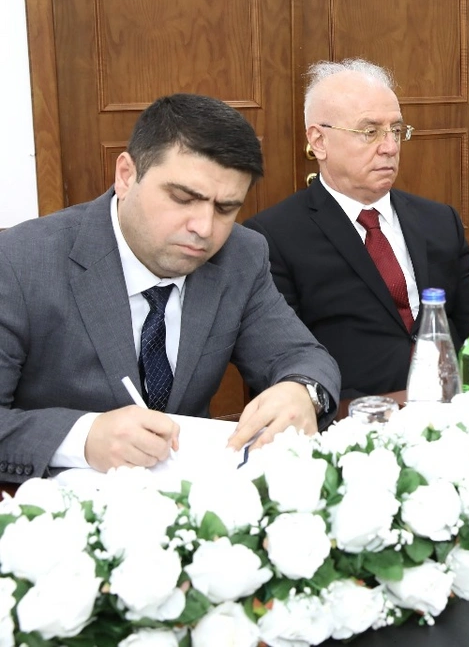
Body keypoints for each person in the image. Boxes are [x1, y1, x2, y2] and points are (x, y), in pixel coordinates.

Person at [0, 94, 340, 483]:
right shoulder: (20, 262)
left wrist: (302, 392)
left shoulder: (240, 256)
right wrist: (82, 438)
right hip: (54, 504)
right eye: (183, 198)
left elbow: (301, 355)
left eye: (226, 208)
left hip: (195, 501)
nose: (204, 228)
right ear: (126, 175)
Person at [245, 59, 469, 396]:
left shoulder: (440, 221)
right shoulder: (273, 237)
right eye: (370, 132)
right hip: (350, 416)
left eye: (396, 130)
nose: (390, 147)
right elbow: (280, 361)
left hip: (452, 407)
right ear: (319, 141)